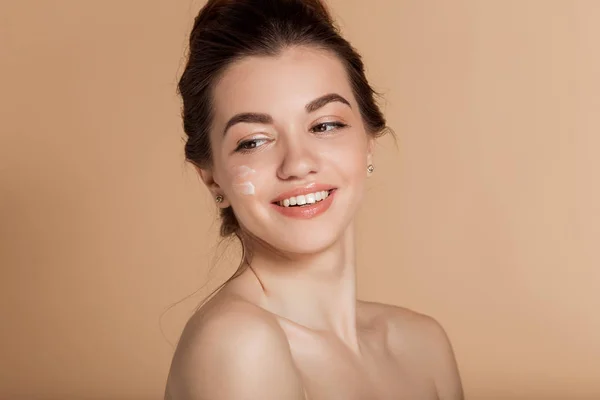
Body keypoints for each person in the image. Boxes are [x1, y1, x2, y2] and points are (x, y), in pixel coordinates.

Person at [165, 0, 464, 399]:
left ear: (368, 141)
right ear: (211, 177)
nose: (298, 163)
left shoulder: (422, 344)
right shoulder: (238, 345)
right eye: (253, 141)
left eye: (324, 125)